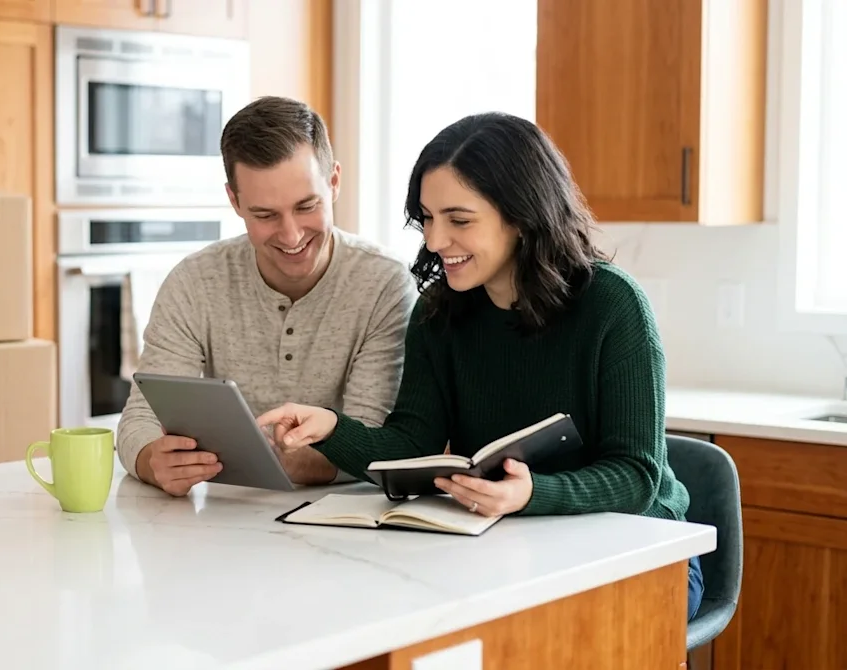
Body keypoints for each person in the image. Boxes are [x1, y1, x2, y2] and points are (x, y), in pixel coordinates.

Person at [255, 111, 705, 621]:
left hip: (643, 551)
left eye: (459, 220)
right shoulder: (438, 314)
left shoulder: (612, 306)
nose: (433, 240)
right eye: (426, 217)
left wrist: (532, 492)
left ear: (521, 215)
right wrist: (330, 427)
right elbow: (411, 446)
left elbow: (637, 476)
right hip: (516, 548)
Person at [116, 95, 417, 497]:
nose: (291, 236)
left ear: (334, 182)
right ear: (235, 201)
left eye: (307, 206)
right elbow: (139, 420)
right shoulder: (194, 282)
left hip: (345, 524)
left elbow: (374, 436)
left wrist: (310, 463)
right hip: (223, 522)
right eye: (265, 215)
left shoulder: (384, 283)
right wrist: (153, 460)